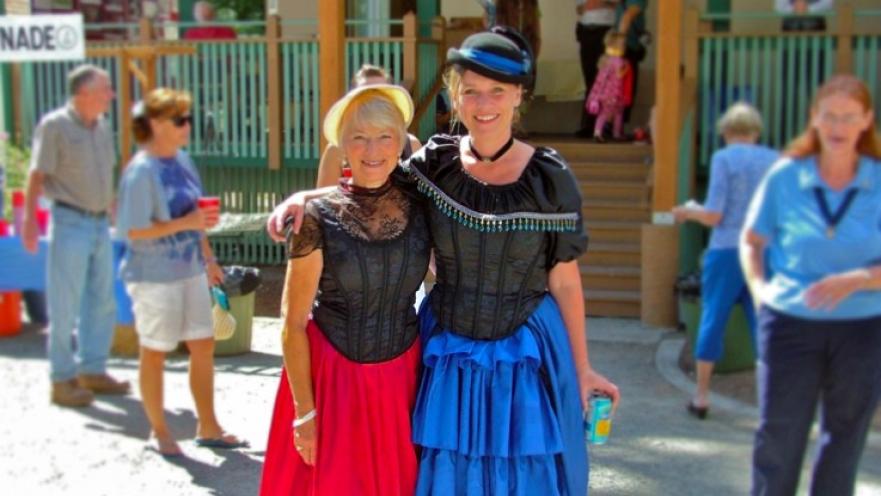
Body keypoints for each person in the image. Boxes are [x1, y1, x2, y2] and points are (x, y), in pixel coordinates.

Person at [269, 29, 620, 495]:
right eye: (470, 90)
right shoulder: (437, 164)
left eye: (497, 90)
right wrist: (305, 196)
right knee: (445, 476)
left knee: (523, 476)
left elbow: (567, 283)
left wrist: (582, 368)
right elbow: (372, 177)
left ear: (519, 95)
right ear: (456, 96)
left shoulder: (549, 179)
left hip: (524, 354)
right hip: (448, 352)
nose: (483, 103)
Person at [259, 84, 429, 495]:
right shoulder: (317, 218)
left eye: (384, 137)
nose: (372, 149)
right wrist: (304, 413)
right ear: (343, 146)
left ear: (401, 142)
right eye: (359, 137)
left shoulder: (423, 200)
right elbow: (292, 321)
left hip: (402, 379)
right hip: (333, 380)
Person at [741, 75, 881, 495]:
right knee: (779, 437)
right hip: (789, 325)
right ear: (814, 119)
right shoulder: (785, 176)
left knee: (844, 438)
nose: (838, 126)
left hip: (863, 328)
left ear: (866, 121)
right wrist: (762, 294)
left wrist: (860, 279)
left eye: (848, 117)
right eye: (829, 115)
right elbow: (752, 243)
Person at [116, 88, 246, 457]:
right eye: (179, 119)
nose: (187, 125)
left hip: (189, 268)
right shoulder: (141, 171)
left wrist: (208, 259)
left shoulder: (184, 161)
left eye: (187, 118)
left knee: (203, 344)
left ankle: (209, 426)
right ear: (156, 124)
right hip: (153, 274)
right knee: (155, 350)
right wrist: (184, 223)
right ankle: (159, 431)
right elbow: (132, 230)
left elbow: (196, 217)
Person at [22, 64, 130, 408]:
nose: (111, 95)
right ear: (83, 93)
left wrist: (111, 205)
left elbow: (104, 173)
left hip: (98, 223)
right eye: (105, 89)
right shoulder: (55, 126)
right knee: (65, 303)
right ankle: (61, 378)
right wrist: (27, 221)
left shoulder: (101, 127)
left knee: (102, 300)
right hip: (69, 221)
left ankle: (92, 369)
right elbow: (37, 175)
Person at [672, 102, 778, 419]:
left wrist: (688, 211)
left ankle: (702, 396)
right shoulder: (774, 161)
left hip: (727, 250)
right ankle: (770, 403)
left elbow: (715, 213)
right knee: (764, 324)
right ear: (755, 131)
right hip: (764, 251)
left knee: (713, 318)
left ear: (726, 131)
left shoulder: (723, 159)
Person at [315, 64, 422, 188]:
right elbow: (327, 196)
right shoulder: (334, 150)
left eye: (379, 94)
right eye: (364, 94)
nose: (371, 102)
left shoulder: (411, 145)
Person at [575, 0, 617, 139]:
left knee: (606, 80)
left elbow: (617, 4)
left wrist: (599, 3)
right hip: (586, 30)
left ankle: (606, 126)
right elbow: (581, 8)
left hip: (606, 32)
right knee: (590, 79)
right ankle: (589, 124)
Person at [585, 31, 633, 142]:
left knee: (604, 114)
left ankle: (597, 132)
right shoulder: (619, 61)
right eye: (622, 45)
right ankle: (615, 133)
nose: (624, 47)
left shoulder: (605, 60)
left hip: (605, 93)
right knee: (617, 114)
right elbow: (619, 75)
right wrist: (626, 67)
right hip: (614, 93)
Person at [613, 0, 647, 125]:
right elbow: (627, 17)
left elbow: (626, 15)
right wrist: (620, 41)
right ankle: (616, 126)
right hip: (627, 47)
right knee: (625, 89)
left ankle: (614, 126)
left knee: (620, 88)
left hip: (623, 47)